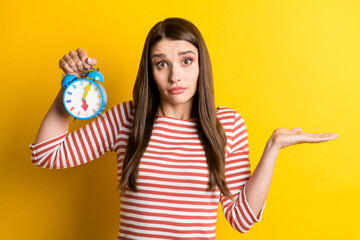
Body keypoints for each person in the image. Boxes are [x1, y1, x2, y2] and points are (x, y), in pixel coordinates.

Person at [29, 17, 339, 239]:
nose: (175, 75)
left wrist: (273, 148)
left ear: (201, 64)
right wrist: (71, 87)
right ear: (150, 71)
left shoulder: (227, 124)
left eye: (186, 61)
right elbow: (47, 154)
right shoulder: (128, 118)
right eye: (161, 63)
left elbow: (242, 219)